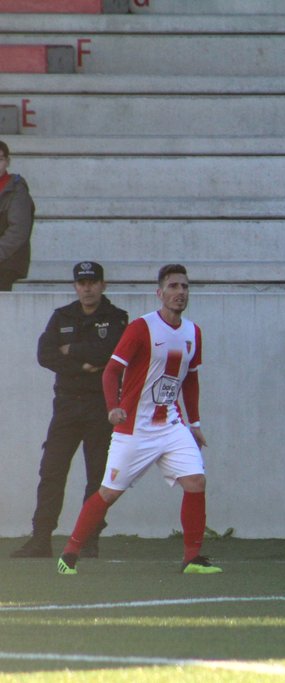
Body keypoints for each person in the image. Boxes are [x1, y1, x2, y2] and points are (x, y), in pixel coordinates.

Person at [56, 264, 221, 576]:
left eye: (184, 287)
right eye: (173, 286)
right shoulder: (141, 328)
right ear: (160, 293)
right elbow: (111, 371)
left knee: (196, 481)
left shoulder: (193, 332)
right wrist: (113, 407)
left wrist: (195, 424)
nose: (180, 292)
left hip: (171, 424)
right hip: (135, 428)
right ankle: (70, 552)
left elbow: (190, 379)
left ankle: (192, 559)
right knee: (109, 493)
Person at [10, 262, 128, 559]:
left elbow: (110, 353)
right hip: (66, 405)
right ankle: (41, 539)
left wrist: (72, 349)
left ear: (103, 285)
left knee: (97, 474)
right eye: (82, 283)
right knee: (52, 470)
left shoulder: (117, 318)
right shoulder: (62, 316)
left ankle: (88, 539)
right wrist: (83, 366)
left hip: (100, 405)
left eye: (92, 282)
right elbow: (45, 354)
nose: (87, 288)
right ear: (75, 286)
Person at [0, 140, 35, 291]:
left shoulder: (17, 189)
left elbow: (18, 231)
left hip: (7, 261)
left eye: (0, 159)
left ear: (8, 161)